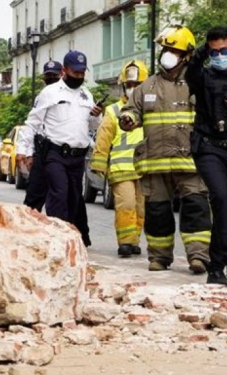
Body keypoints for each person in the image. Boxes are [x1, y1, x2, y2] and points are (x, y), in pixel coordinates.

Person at [119, 25, 211, 273]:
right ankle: (159, 257)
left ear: (186, 56)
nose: (166, 54)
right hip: (155, 162)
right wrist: (128, 118)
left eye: (172, 50)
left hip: (190, 161)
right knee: (157, 213)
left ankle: (199, 257)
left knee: (196, 209)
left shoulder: (198, 84)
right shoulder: (146, 87)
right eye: (165, 49)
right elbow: (130, 111)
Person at [17, 50, 103, 246]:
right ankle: (57, 239)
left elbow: (92, 127)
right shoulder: (50, 93)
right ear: (64, 70)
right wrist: (24, 150)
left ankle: (71, 236)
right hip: (55, 153)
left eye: (82, 73)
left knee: (74, 198)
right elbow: (33, 122)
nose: (79, 77)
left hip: (77, 157)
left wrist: (96, 115)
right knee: (59, 192)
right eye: (75, 73)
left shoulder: (86, 95)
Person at [91, 60, 149, 257]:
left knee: (140, 209)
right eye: (130, 85)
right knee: (127, 205)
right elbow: (104, 137)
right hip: (121, 168)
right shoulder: (114, 110)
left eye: (137, 85)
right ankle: (124, 242)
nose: (133, 89)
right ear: (124, 85)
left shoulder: (150, 110)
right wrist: (99, 163)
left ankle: (134, 241)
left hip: (144, 169)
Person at [185, 26, 227, 284]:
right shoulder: (203, 77)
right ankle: (216, 267)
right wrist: (203, 52)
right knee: (222, 198)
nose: (221, 55)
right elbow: (190, 74)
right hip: (209, 147)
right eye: (216, 52)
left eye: (225, 50)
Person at [23, 60, 63, 212]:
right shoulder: (42, 96)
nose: (51, 78)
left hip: (61, 152)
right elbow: (33, 125)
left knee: (60, 199)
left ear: (62, 74)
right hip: (42, 150)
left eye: (55, 75)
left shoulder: (74, 94)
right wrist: (29, 153)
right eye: (48, 75)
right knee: (34, 199)